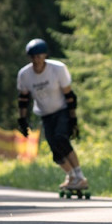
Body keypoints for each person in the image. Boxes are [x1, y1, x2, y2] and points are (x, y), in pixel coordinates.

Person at [16, 38, 88, 190]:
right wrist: (22, 119)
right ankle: (71, 176)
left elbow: (70, 96)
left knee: (61, 138)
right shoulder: (25, 74)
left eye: (40, 57)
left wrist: (73, 119)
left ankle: (80, 177)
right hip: (45, 114)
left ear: (45, 56)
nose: (37, 61)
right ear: (30, 58)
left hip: (62, 110)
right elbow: (23, 99)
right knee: (55, 151)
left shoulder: (58, 69)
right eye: (34, 57)